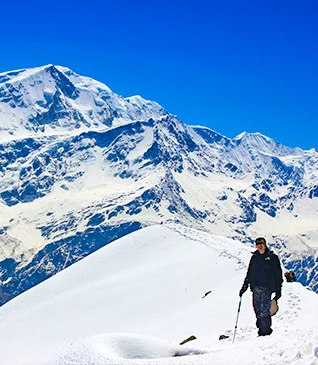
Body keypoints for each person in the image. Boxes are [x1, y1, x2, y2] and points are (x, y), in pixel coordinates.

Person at [239, 237, 283, 336]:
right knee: (257, 309)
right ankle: (261, 330)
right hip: (256, 288)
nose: (260, 245)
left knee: (264, 310)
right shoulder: (254, 257)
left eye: (261, 243)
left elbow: (278, 274)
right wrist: (245, 286)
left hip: (267, 288)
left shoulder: (272, 257)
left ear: (265, 244)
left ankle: (266, 331)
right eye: (258, 244)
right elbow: (250, 272)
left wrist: (278, 289)